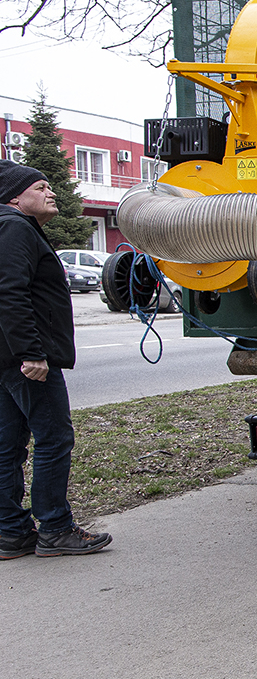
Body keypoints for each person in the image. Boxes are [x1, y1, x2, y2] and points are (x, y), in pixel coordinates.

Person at [0, 160, 112, 559]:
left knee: (9, 445)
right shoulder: (14, 227)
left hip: (8, 358)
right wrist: (32, 352)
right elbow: (10, 293)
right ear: (16, 196)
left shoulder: (11, 227)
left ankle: (11, 533)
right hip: (26, 359)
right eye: (41, 187)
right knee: (54, 439)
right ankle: (56, 529)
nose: (51, 193)